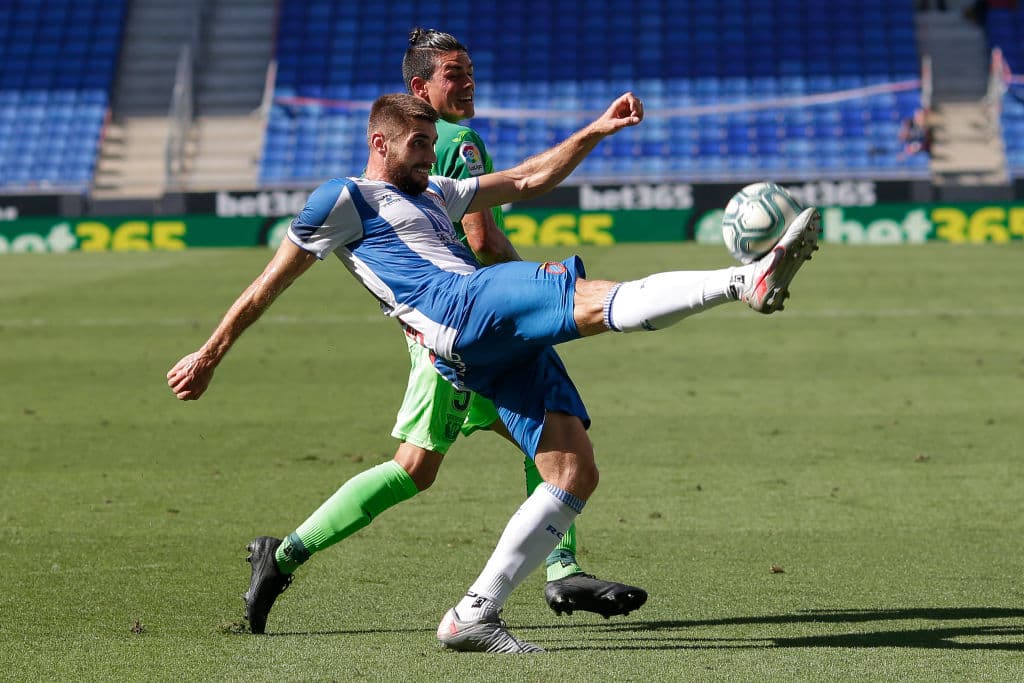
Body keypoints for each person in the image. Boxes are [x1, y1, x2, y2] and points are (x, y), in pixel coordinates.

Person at [167, 91, 821, 653]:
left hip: (475, 344)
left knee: (573, 470)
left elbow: (530, 179)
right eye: (418, 144)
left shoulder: (437, 194)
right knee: (583, 301)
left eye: (431, 143)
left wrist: (595, 129)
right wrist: (209, 352)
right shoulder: (343, 197)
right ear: (380, 142)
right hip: (457, 310)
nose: (430, 154)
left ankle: (473, 612)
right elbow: (263, 288)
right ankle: (744, 280)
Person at [395, 27, 646, 618]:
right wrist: (538, 291)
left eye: (470, 71)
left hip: (438, 324)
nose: (468, 82)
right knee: (416, 469)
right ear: (420, 86)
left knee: (445, 463)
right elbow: (481, 238)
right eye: (454, 73)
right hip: (483, 324)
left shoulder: (406, 156)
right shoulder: (460, 141)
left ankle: (562, 569)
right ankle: (285, 555)